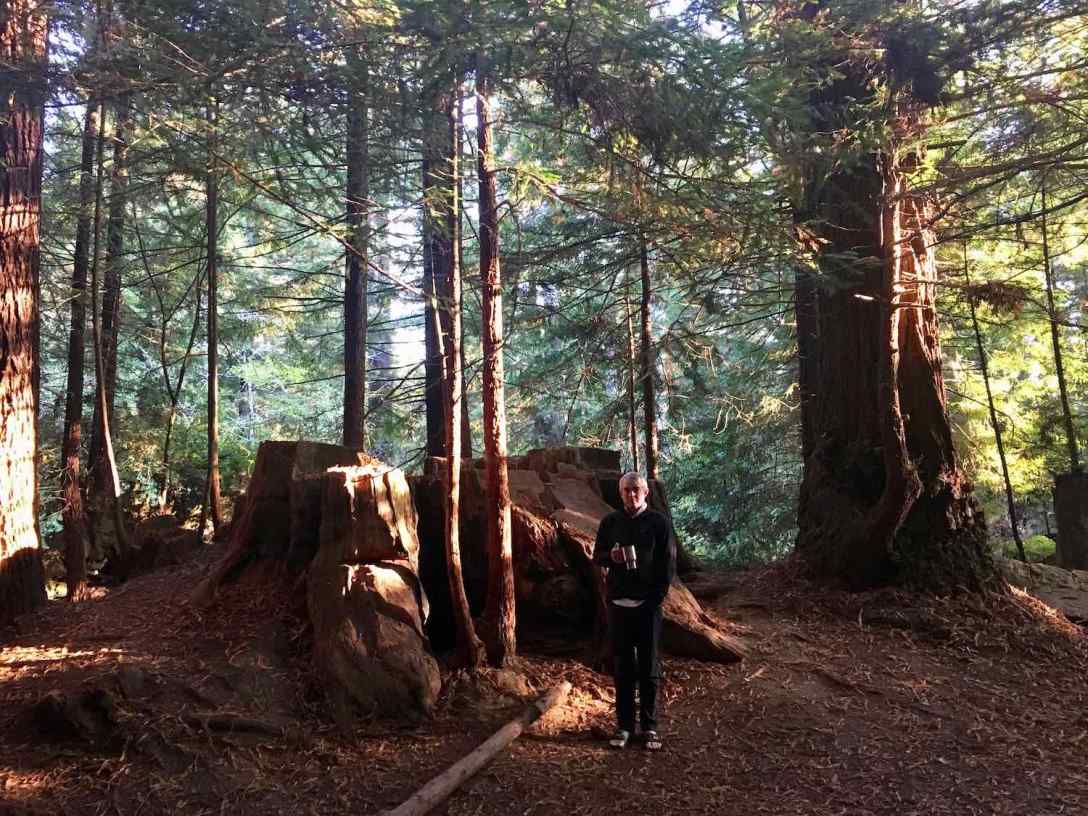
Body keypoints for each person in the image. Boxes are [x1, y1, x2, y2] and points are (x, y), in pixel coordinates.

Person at [593, 471, 676, 751]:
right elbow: (597, 556)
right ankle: (625, 726)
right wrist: (611, 558)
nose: (632, 494)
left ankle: (650, 727)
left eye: (636, 489)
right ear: (620, 493)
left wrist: (656, 599)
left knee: (650, 667)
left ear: (646, 492)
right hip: (618, 605)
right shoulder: (610, 522)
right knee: (623, 668)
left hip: (648, 606)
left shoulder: (658, 523)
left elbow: (668, 564)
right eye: (627, 490)